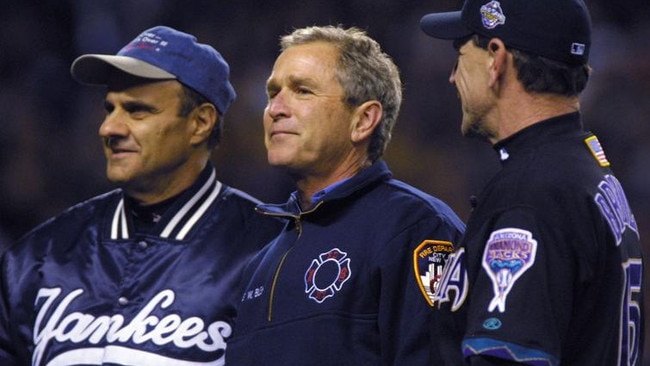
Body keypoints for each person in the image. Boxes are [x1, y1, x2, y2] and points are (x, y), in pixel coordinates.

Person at [0, 26, 283, 365]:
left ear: (200, 123)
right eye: (110, 109)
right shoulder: (37, 258)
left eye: (137, 111)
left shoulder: (270, 252)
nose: (110, 128)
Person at [419, 0, 644, 364]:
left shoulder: (533, 194)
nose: (452, 76)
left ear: (496, 58)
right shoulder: (583, 170)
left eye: (460, 53)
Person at [225, 25, 465, 365]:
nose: (275, 109)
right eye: (272, 93)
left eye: (303, 91)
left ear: (363, 120)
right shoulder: (262, 262)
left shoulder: (415, 228)